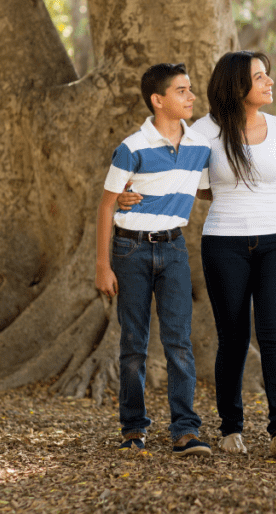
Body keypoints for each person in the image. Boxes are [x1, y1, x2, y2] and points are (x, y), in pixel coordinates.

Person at [192, 51, 276, 457]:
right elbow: (194, 184)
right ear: (238, 86)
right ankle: (230, 428)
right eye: (260, 77)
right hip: (223, 241)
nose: (269, 82)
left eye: (268, 75)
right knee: (234, 339)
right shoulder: (204, 130)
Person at [94, 62, 212, 457]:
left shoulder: (199, 145)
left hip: (174, 248)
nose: (191, 96)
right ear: (158, 100)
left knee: (179, 342)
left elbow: (208, 188)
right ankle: (133, 428)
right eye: (182, 90)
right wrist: (102, 265)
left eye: (190, 89)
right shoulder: (131, 148)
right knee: (134, 343)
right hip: (130, 251)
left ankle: (185, 430)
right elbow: (107, 206)